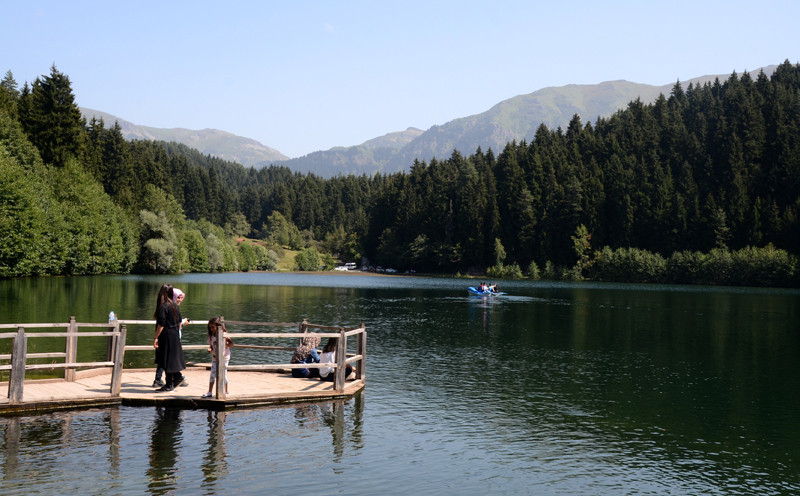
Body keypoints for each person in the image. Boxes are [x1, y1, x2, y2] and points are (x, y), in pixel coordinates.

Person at [153, 284, 187, 392]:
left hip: (166, 335)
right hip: (175, 334)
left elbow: (161, 324)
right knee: (170, 359)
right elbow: (179, 322)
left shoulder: (163, 307)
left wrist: (155, 337)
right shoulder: (174, 306)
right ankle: (175, 379)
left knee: (166, 359)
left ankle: (169, 385)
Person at [202, 316, 233, 398]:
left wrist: (226, 344)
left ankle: (226, 391)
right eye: (210, 327)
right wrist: (210, 348)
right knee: (212, 374)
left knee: (223, 374)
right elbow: (212, 345)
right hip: (215, 357)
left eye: (213, 327)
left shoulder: (224, 335)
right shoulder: (211, 336)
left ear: (218, 326)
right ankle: (209, 392)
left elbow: (231, 344)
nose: (211, 329)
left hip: (224, 357)